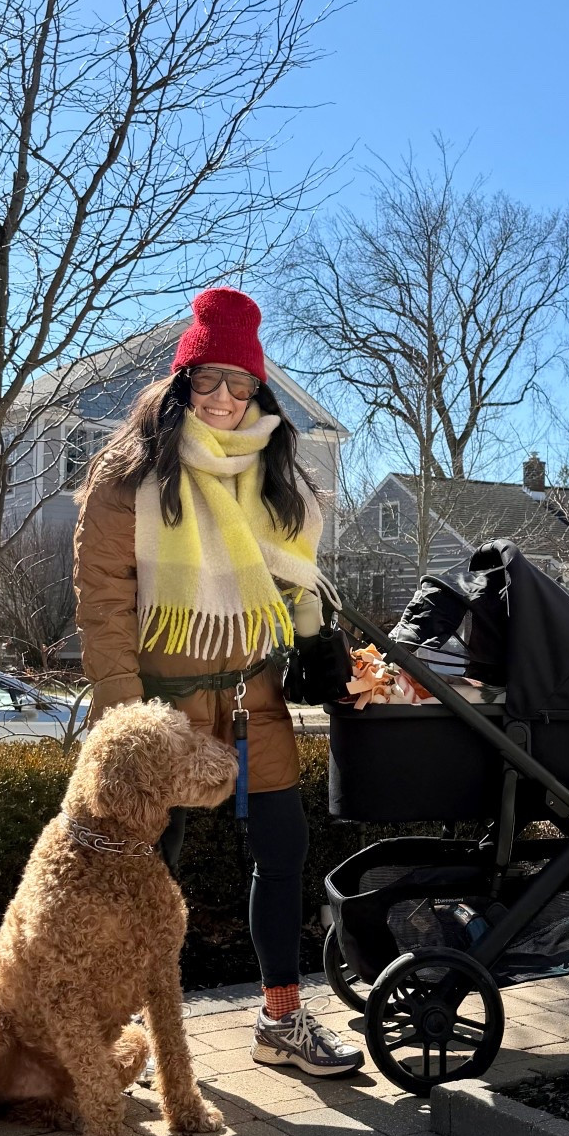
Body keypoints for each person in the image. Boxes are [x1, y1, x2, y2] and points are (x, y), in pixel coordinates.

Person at [73, 286, 363, 1077]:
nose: (225, 398)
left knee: (283, 850)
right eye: (209, 380)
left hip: (253, 698)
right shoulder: (128, 476)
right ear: (182, 384)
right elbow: (103, 604)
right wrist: (123, 721)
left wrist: (321, 645)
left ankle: (281, 1020)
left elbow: (295, 585)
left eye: (241, 383)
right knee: (138, 867)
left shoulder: (275, 479)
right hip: (160, 709)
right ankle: (119, 1028)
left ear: (259, 391)